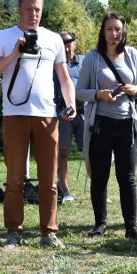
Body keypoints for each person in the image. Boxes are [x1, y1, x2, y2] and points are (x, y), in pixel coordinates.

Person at [0, 0, 76, 249]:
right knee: (14, 178)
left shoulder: (54, 39)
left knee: (49, 178)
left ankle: (49, 232)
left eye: (37, 10)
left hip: (47, 115)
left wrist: (71, 104)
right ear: (19, 10)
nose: (33, 14)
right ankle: (14, 231)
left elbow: (65, 78)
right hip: (14, 115)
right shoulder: (4, 37)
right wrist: (14, 54)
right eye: (28, 9)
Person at [75, 12, 137, 241]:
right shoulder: (93, 57)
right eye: (109, 29)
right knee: (99, 176)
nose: (114, 34)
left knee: (127, 177)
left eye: (118, 29)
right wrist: (99, 94)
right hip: (101, 124)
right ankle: (100, 224)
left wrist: (135, 90)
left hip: (126, 123)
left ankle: (131, 227)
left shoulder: (132, 54)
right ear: (103, 31)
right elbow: (79, 91)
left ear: (123, 31)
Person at [53, 31, 85, 203]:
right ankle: (65, 191)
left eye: (69, 42)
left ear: (75, 44)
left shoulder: (84, 62)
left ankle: (98, 189)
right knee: (63, 153)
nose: (66, 46)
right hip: (63, 114)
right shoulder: (55, 64)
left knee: (90, 152)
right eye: (63, 43)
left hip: (83, 112)